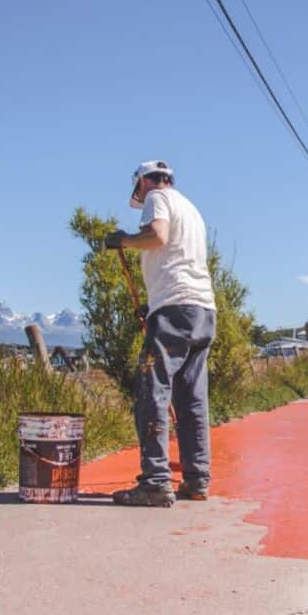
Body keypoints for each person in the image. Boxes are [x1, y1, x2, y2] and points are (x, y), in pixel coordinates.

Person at [104, 160, 216, 508]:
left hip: (175, 307)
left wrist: (123, 240)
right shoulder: (191, 208)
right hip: (202, 311)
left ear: (143, 183)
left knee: (152, 390)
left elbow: (158, 237)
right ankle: (197, 480)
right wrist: (154, 308)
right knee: (191, 400)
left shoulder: (157, 198)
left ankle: (155, 482)